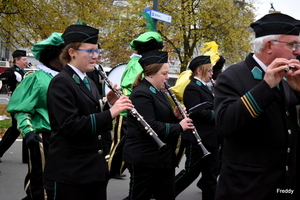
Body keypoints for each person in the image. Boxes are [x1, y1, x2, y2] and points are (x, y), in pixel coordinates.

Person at [214, 13, 300, 200]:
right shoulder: (232, 76)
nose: (297, 51)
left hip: (284, 186)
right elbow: (224, 124)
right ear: (269, 45)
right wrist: (265, 87)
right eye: (292, 44)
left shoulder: (288, 78)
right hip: (247, 189)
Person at [43, 24, 133, 200]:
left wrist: (108, 105)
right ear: (72, 52)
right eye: (91, 51)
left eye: (97, 51)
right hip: (70, 174)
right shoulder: (62, 82)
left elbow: (89, 114)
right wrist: (111, 113)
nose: (96, 57)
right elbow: (71, 125)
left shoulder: (89, 81)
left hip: (92, 172)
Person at [122, 50, 193, 200]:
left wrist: (175, 117)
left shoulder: (159, 92)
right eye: (164, 73)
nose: (167, 77)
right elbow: (151, 126)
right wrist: (179, 127)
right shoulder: (141, 93)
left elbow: (161, 119)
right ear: (152, 73)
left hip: (161, 159)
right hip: (145, 158)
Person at [6, 32, 65, 200]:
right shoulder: (36, 79)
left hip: (64, 138)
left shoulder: (68, 78)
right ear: (55, 56)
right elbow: (21, 110)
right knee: (41, 186)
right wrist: (29, 133)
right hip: (43, 138)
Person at [108, 31, 164, 178]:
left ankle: (116, 170)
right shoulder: (136, 63)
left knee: (126, 145)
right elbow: (131, 86)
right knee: (119, 145)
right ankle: (107, 171)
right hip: (126, 112)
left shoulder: (142, 62)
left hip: (133, 111)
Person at [174, 55, 219, 200]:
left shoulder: (207, 87)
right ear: (199, 70)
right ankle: (164, 193)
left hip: (210, 138)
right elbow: (197, 112)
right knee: (190, 172)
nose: (212, 74)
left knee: (211, 174)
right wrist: (217, 114)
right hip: (196, 138)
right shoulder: (192, 87)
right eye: (209, 71)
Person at [0, 50, 28, 163]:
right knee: (16, 129)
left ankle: (27, 157)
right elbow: (5, 77)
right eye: (24, 59)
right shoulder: (12, 71)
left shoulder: (23, 71)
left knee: (27, 127)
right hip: (17, 103)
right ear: (16, 60)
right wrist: (10, 75)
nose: (26, 61)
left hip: (25, 102)